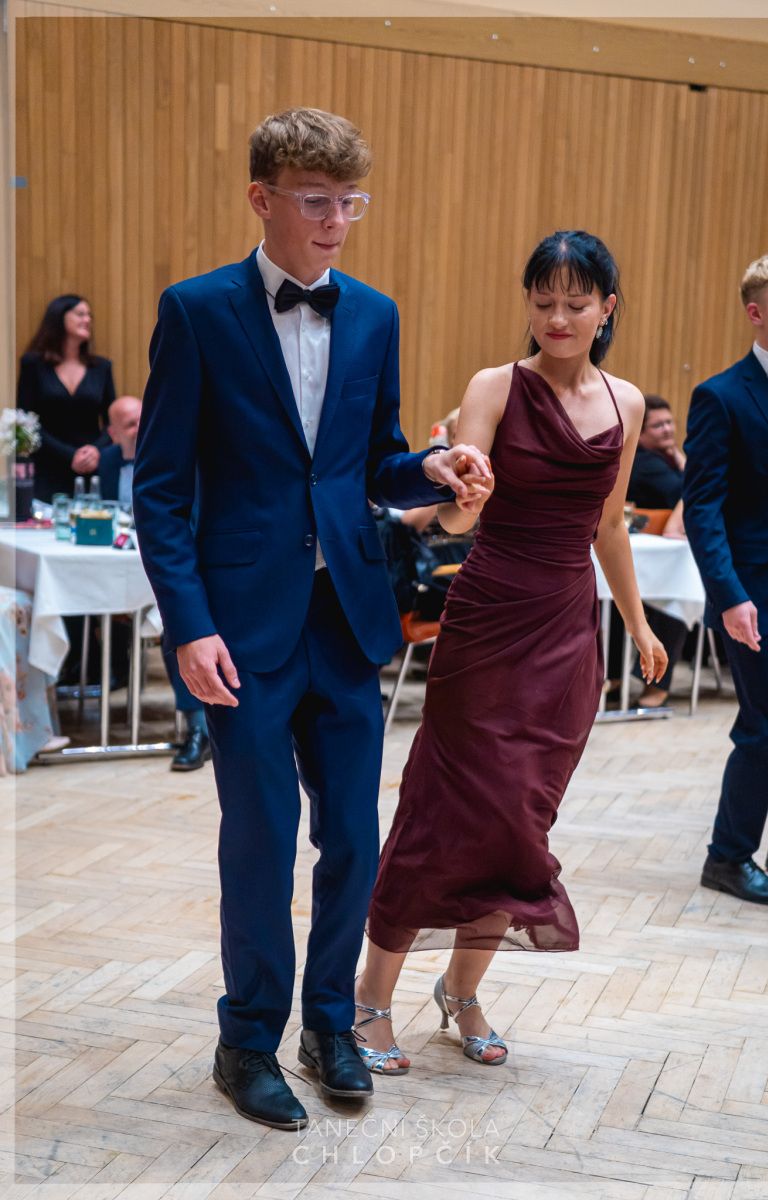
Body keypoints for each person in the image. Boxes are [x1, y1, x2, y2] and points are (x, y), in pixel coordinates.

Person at [133, 107, 490, 1130]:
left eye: (350, 203)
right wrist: (188, 623)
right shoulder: (196, 311)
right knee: (260, 838)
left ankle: (329, 1025)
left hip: (346, 618)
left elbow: (370, 462)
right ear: (262, 198)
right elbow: (159, 490)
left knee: (353, 841)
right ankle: (247, 1040)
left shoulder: (372, 314)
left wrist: (430, 467)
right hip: (238, 629)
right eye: (317, 201)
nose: (337, 222)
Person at [354, 231, 668, 1073]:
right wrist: (466, 490)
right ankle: (370, 998)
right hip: (489, 621)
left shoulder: (627, 403)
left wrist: (637, 624)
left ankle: (461, 991)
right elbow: (459, 516)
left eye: (576, 303)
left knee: (520, 821)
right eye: (543, 301)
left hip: (567, 632)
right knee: (442, 808)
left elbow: (608, 525)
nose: (557, 318)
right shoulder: (493, 386)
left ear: (606, 308)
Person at [684, 250, 768, 906]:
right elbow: (701, 510)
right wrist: (728, 595)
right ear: (756, 314)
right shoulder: (721, 396)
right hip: (755, 595)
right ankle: (727, 858)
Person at [99, 398, 212, 772]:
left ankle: (198, 728)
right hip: (121, 554)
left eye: (142, 419)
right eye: (130, 424)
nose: (139, 428)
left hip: (176, 560)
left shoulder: (183, 453)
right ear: (113, 433)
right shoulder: (107, 461)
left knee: (174, 620)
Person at [610, 394, 689, 707]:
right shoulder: (644, 462)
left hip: (654, 558)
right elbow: (689, 492)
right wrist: (686, 466)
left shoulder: (662, 459)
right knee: (675, 595)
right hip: (636, 556)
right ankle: (653, 686)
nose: (668, 429)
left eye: (669, 422)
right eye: (658, 426)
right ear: (640, 434)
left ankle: (618, 679)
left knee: (673, 591)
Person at [17, 295, 115, 502]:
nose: (88, 320)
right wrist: (69, 455)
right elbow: (26, 422)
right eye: (80, 314)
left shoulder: (102, 367)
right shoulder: (33, 364)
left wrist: (96, 450)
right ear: (58, 317)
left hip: (91, 468)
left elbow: (111, 421)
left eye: (89, 316)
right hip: (48, 465)